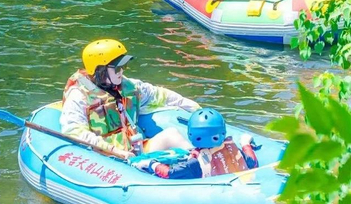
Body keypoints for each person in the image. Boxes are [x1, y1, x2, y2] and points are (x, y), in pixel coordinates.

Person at [60, 39, 199, 159]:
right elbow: (75, 132)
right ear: (100, 70)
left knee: (172, 134)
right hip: (106, 157)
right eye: (117, 68)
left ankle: (200, 165)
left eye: (124, 66)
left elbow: (160, 95)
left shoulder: (128, 87)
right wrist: (115, 151)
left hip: (135, 150)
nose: (122, 71)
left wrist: (196, 110)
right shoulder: (79, 97)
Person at [147, 108, 258, 179]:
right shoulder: (234, 150)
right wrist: (245, 144)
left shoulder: (194, 164)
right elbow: (253, 163)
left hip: (201, 168)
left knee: (170, 133)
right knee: (172, 133)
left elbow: (169, 173)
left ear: (191, 134)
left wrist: (151, 164)